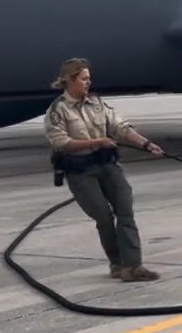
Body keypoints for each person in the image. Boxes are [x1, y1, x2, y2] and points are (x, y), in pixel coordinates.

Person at [43, 58, 164, 282]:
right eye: (83, 79)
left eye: (89, 78)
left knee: (125, 210)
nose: (88, 82)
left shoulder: (97, 104)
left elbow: (119, 127)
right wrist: (97, 142)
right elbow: (61, 142)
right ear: (69, 80)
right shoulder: (57, 111)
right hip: (80, 172)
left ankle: (133, 266)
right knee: (104, 218)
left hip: (107, 165)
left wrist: (145, 143)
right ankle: (117, 263)